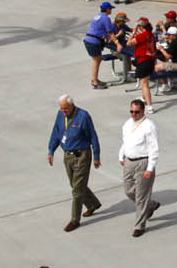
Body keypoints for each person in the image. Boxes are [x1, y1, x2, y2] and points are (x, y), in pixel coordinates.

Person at [46, 93, 105, 231]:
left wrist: (96, 156)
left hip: (82, 156)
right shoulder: (60, 115)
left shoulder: (83, 116)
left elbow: (93, 136)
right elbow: (56, 133)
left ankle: (75, 220)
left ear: (72, 105)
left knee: (77, 190)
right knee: (75, 185)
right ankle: (93, 204)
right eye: (61, 108)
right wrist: (51, 150)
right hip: (68, 156)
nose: (63, 111)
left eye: (65, 108)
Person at [119, 97, 160, 236]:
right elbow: (125, 142)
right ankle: (151, 205)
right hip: (129, 161)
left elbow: (154, 148)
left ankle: (139, 225)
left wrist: (150, 168)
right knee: (128, 190)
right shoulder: (127, 124)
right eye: (131, 111)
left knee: (142, 195)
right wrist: (121, 155)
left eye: (136, 112)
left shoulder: (149, 126)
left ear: (143, 111)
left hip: (143, 162)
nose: (133, 114)